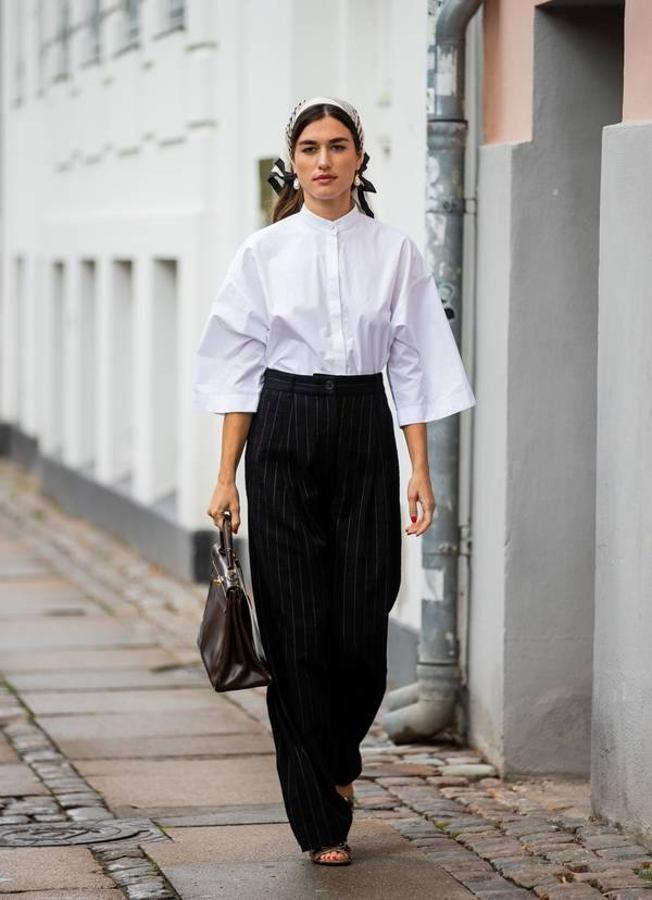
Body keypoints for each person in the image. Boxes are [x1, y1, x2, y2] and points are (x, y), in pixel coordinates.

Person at [192, 96, 476, 866]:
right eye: (311, 147)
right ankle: (321, 816)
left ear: (359, 160)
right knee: (295, 632)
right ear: (297, 161)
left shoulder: (396, 252)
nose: (324, 159)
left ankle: (336, 755)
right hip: (280, 429)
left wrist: (419, 468)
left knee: (361, 621)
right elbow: (238, 368)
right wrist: (227, 477)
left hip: (361, 430)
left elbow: (414, 362)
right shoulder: (263, 253)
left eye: (338, 145)